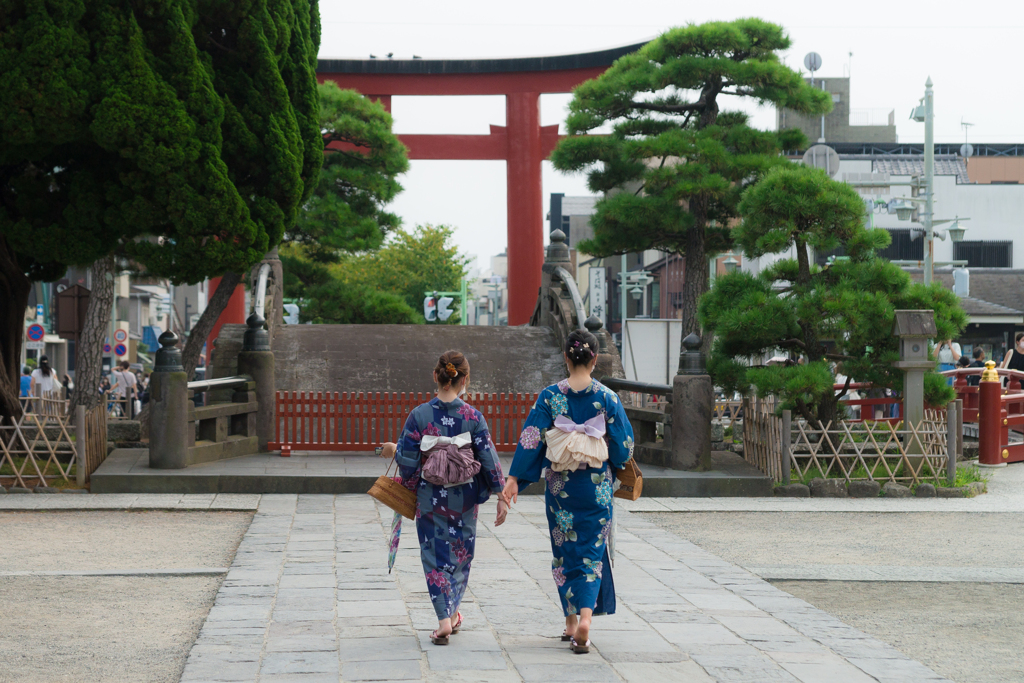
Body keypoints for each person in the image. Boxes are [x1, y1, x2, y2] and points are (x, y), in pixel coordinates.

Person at [502, 329, 635, 655]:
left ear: (566, 357)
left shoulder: (550, 396)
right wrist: (613, 458)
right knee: (591, 554)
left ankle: (571, 623)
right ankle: (586, 619)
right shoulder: (607, 398)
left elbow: (532, 437)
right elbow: (624, 447)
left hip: (561, 488)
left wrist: (515, 477)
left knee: (565, 553)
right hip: (596, 489)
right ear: (594, 359)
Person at [388, 350, 508, 646]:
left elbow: (408, 462)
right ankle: (451, 614)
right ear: (464, 380)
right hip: (464, 498)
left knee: (433, 556)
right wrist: (500, 493)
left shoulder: (419, 415)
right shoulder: (472, 416)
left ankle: (445, 619)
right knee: (461, 554)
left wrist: (394, 451)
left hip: (430, 496)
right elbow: (488, 458)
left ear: (436, 376)